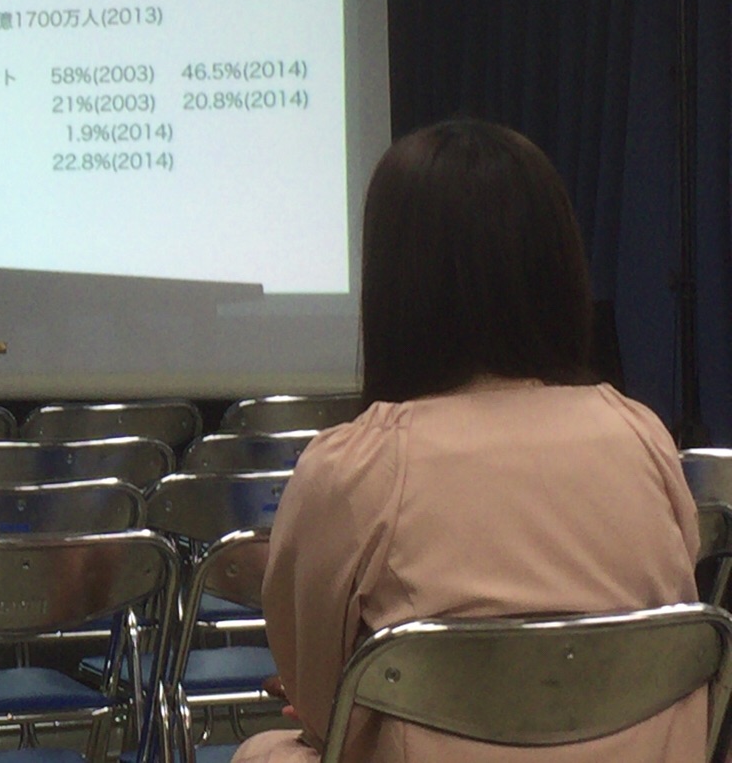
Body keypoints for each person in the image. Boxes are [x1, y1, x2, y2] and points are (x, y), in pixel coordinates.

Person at [235, 118, 701, 762]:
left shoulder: (353, 468)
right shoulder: (641, 436)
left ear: (393, 283)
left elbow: (318, 706)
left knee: (265, 750)